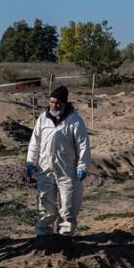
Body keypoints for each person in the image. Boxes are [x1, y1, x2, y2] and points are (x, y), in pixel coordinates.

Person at [26, 85, 91, 237]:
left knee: (68, 205)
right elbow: (35, 142)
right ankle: (43, 235)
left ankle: (65, 236)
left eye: (58, 103)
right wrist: (31, 162)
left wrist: (83, 166)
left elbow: (83, 145)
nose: (55, 105)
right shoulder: (43, 119)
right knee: (44, 203)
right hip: (45, 169)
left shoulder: (74, 120)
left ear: (65, 103)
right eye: (52, 102)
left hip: (67, 171)